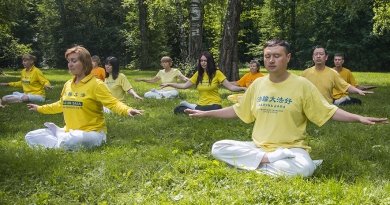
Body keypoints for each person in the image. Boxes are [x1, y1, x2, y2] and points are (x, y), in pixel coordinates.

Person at [184, 39, 387, 177]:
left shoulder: (302, 85)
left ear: (288, 58)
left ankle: (249, 164)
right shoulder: (257, 84)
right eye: (267, 56)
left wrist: (359, 118)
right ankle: (266, 160)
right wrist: (205, 113)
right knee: (218, 147)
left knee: (305, 168)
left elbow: (329, 110)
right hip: (260, 147)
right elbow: (237, 110)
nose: (271, 60)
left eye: (277, 56)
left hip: (291, 149)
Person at [25, 46, 143, 150]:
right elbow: (61, 105)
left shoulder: (97, 84)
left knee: (72, 140)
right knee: (30, 136)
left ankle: (60, 141)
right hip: (70, 131)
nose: (70, 64)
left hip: (92, 133)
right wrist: (40, 108)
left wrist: (127, 110)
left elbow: (113, 103)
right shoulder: (68, 84)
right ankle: (61, 141)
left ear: (85, 63)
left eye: (74, 61)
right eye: (68, 61)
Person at [160, 51, 246, 114]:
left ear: (210, 61)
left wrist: (242, 88)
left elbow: (231, 87)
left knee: (214, 110)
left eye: (205, 61)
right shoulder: (198, 74)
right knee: (178, 109)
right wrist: (169, 84)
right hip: (200, 105)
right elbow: (184, 86)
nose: (203, 63)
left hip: (214, 104)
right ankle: (195, 110)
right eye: (201, 61)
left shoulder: (217, 73)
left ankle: (193, 110)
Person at [302, 46, 372, 105]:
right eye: (316, 54)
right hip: (311, 105)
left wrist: (358, 91)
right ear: (313, 57)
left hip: (327, 106)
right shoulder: (305, 73)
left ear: (326, 57)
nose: (318, 56)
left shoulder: (333, 73)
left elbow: (345, 86)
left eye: (321, 54)